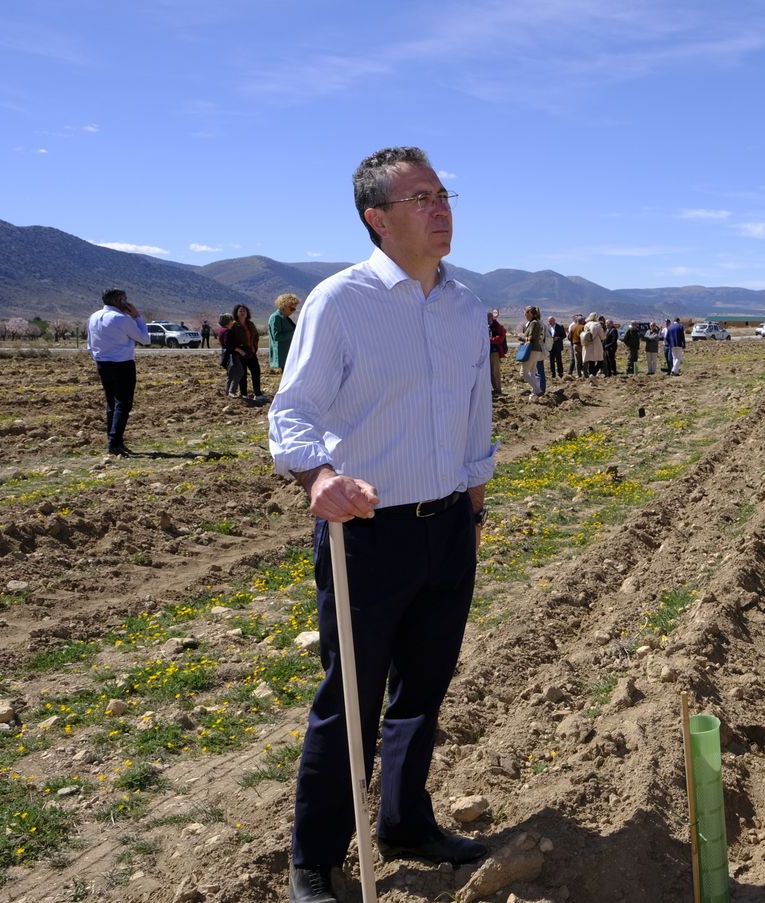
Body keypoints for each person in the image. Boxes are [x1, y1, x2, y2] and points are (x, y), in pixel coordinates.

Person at [268, 146, 495, 903]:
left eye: (443, 194)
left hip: (448, 525)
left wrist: (474, 507)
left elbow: (476, 417)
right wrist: (319, 478)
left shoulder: (465, 307)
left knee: (424, 688)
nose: (441, 208)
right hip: (365, 534)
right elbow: (292, 413)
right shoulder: (339, 302)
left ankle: (404, 821)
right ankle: (315, 857)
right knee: (352, 699)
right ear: (377, 219)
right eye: (421, 198)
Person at [85, 288, 148, 456]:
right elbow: (144, 339)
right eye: (124, 299)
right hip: (122, 364)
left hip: (102, 364)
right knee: (123, 403)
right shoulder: (121, 318)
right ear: (116, 301)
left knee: (111, 403)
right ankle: (114, 443)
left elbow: (90, 345)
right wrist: (137, 317)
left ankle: (114, 440)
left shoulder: (94, 317)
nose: (127, 302)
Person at [228, 303, 265, 399]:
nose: (242, 313)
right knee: (243, 374)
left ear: (247, 313)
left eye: (244, 311)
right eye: (240, 311)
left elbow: (256, 336)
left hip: (251, 352)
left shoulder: (250, 324)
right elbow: (229, 341)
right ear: (236, 313)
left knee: (256, 371)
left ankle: (258, 394)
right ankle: (243, 394)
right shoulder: (233, 325)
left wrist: (254, 347)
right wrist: (239, 350)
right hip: (240, 353)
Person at [517, 305, 546, 397]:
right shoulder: (534, 323)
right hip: (535, 350)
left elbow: (531, 338)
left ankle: (538, 390)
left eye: (525, 313)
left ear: (529, 313)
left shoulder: (533, 323)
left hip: (531, 350)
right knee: (532, 373)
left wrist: (520, 336)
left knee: (523, 373)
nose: (524, 315)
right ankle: (534, 395)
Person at [269, 293, 300, 373]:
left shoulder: (285, 317)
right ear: (284, 306)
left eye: (294, 309)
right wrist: (294, 333)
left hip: (288, 354)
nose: (293, 311)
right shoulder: (276, 317)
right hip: (283, 355)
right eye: (291, 309)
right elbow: (276, 336)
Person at [218, 313, 246, 398]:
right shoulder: (227, 331)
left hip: (225, 355)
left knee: (231, 374)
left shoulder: (221, 330)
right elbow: (228, 344)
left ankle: (227, 392)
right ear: (228, 321)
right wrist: (239, 350)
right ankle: (232, 391)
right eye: (231, 320)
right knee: (239, 371)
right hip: (231, 355)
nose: (233, 322)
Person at [487, 309, 507, 399]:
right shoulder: (487, 326)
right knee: (490, 372)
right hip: (487, 352)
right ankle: (494, 389)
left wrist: (490, 340)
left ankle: (498, 389)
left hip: (494, 351)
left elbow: (501, 338)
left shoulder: (497, 326)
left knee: (495, 371)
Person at [581, 311, 604, 378]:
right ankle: (593, 374)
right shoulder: (597, 325)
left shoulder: (586, 325)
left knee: (591, 361)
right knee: (600, 360)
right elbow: (602, 336)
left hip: (588, 344)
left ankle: (591, 374)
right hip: (596, 344)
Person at [546, 315, 566, 380]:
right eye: (549, 321)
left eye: (551, 321)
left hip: (557, 346)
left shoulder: (559, 326)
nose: (550, 322)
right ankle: (553, 374)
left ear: (554, 320)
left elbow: (564, 335)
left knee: (559, 360)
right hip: (550, 347)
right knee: (551, 361)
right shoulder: (547, 327)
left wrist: (558, 338)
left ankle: (560, 374)